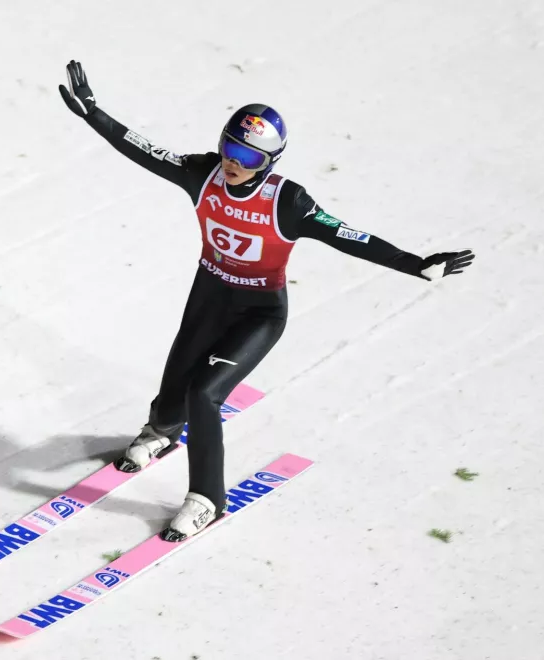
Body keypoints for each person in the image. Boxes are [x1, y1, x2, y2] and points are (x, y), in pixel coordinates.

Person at [57, 60, 474, 543]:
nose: (234, 163)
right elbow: (146, 152)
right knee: (175, 385)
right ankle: (161, 432)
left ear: (270, 163)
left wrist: (413, 262)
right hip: (209, 294)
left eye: (249, 158)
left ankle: (206, 500)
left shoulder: (287, 202)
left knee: (204, 393)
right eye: (230, 148)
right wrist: (94, 113)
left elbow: (349, 237)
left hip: (259, 313)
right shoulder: (203, 173)